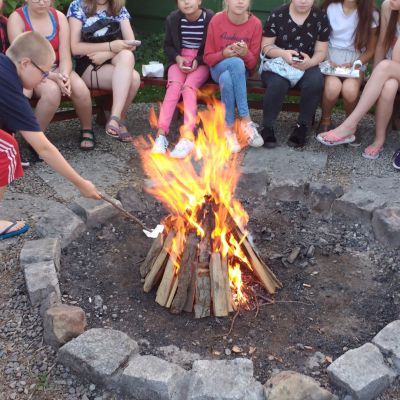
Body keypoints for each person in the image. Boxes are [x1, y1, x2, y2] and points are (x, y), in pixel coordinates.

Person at [0, 31, 100, 240]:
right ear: (26, 63)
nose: (44, 78)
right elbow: (43, 148)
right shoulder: (8, 86)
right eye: (44, 73)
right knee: (7, 149)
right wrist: (81, 183)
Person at [317, 0, 400, 167]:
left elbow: (396, 58)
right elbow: (382, 44)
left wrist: (379, 70)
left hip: (393, 64)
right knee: (389, 86)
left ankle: (349, 125)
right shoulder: (388, 6)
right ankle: (379, 140)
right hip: (393, 68)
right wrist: (375, 75)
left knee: (384, 67)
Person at [8, 0, 95, 151]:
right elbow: (21, 59)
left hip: (57, 67)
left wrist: (65, 76)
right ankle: (36, 141)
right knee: (52, 92)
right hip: (29, 71)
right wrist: (52, 77)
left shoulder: (59, 17)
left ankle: (87, 129)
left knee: (80, 89)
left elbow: (66, 56)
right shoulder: (17, 18)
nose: (42, 2)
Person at [68, 0, 141, 142]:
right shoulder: (78, 6)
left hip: (113, 59)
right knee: (134, 79)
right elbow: (75, 48)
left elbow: (131, 44)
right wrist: (110, 46)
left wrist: (108, 54)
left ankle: (115, 118)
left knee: (127, 55)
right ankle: (118, 120)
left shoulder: (118, 8)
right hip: (89, 64)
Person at [260, 0, 330, 149]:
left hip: (308, 64)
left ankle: (302, 126)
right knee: (277, 84)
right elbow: (266, 46)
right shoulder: (277, 14)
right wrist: (283, 54)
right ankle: (267, 127)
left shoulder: (320, 17)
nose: (303, 1)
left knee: (315, 82)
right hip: (278, 64)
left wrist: (310, 63)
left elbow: (321, 51)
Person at [152, 0, 214, 158]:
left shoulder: (209, 18)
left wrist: (198, 61)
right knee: (173, 86)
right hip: (179, 61)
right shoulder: (173, 19)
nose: (187, 2)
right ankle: (161, 135)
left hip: (201, 62)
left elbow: (212, 47)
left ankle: (188, 136)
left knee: (188, 87)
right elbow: (168, 46)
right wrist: (177, 58)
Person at [203, 0, 264, 153]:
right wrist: (224, 54)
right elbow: (208, 58)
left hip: (239, 72)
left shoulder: (255, 24)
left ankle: (228, 129)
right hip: (218, 67)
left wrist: (246, 53)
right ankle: (246, 120)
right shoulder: (217, 20)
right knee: (235, 63)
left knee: (227, 79)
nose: (240, 1)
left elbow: (252, 66)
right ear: (227, 1)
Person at [319, 0, 379, 148]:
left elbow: (370, 50)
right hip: (330, 57)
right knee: (332, 87)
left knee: (350, 90)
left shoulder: (372, 13)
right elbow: (320, 39)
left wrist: (355, 64)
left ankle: (350, 125)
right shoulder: (330, 8)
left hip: (355, 60)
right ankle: (325, 120)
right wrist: (327, 59)